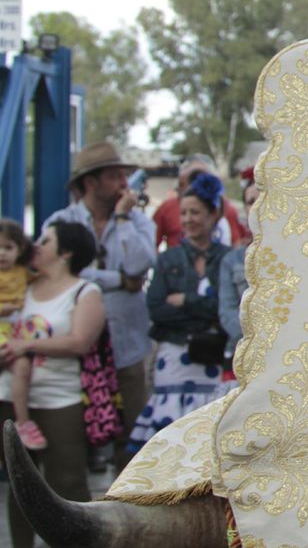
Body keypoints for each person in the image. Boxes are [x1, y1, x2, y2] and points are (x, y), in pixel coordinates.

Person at [42, 141, 156, 471]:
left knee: (132, 442)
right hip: (77, 357)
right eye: (115, 176)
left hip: (127, 349)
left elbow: (140, 264)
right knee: (72, 444)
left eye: (124, 175)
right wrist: (117, 280)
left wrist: (121, 218)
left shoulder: (137, 223)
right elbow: (55, 271)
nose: (124, 183)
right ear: (90, 182)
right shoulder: (60, 224)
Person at [0, 220, 105, 547]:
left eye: (45, 240)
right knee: (20, 487)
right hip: (12, 398)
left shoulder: (85, 292)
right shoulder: (23, 288)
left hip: (60, 400)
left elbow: (80, 342)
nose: (35, 245)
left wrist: (25, 346)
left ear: (66, 252)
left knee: (68, 482)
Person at [131, 173, 232, 448]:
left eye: (195, 212)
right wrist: (205, 312)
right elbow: (156, 308)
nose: (187, 219)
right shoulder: (168, 259)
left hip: (211, 357)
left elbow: (228, 309)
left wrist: (186, 301)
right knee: (172, 437)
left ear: (213, 214)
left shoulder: (228, 259)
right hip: (174, 355)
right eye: (183, 212)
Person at [151, 155, 251, 251]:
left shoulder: (226, 209)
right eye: (183, 213)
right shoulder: (166, 207)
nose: (177, 188)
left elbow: (235, 246)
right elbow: (151, 244)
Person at [0, 220, 36, 446]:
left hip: (16, 329)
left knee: (22, 366)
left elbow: (46, 278)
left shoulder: (23, 273)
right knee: (20, 362)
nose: (2, 253)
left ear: (20, 250)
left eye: (8, 248)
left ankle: (23, 422)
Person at [218, 173, 261, 363]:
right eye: (251, 201)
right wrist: (256, 342)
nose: (258, 207)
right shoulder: (232, 260)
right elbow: (227, 311)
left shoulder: (299, 256)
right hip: (247, 355)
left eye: (263, 199)